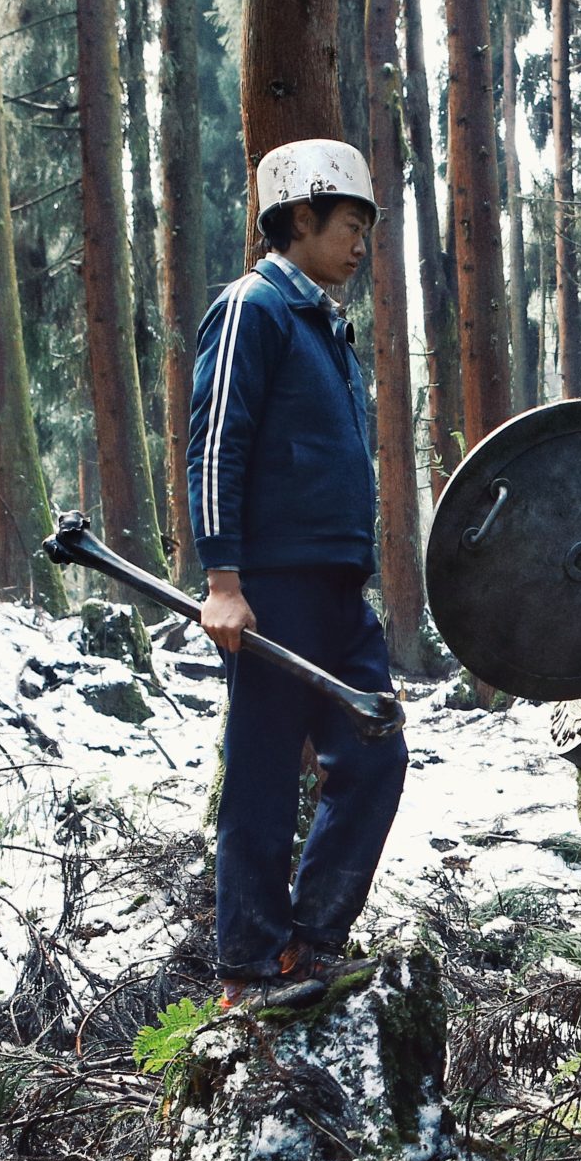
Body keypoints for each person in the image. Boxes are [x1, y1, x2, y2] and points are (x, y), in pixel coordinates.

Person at [187, 138, 408, 1002]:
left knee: (376, 753)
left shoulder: (326, 325)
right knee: (265, 769)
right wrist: (223, 581)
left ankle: (312, 941)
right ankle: (248, 960)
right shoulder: (255, 307)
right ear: (302, 217)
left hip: (337, 589)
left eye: (365, 229)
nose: (359, 244)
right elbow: (216, 444)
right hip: (270, 587)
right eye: (349, 225)